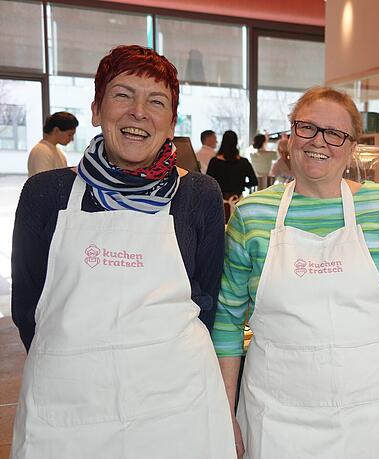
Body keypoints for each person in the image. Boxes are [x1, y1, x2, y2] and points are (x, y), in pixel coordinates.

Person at [10, 44, 236, 459]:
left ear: (171, 123)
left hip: (177, 405)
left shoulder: (198, 193)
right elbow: (28, 307)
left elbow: (207, 299)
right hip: (69, 408)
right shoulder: (46, 193)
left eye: (156, 102)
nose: (138, 112)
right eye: (122, 95)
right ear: (97, 110)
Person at [213, 86, 379, 459]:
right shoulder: (252, 215)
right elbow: (226, 323)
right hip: (279, 419)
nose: (318, 141)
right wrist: (224, 414)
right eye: (307, 127)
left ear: (352, 146)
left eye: (335, 133)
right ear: (291, 135)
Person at [206, 130, 258, 199]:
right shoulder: (244, 162)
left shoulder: (215, 162)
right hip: (238, 199)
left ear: (223, 142)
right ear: (236, 143)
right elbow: (254, 181)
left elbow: (208, 183)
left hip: (220, 199)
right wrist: (242, 184)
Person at [27, 111, 78, 176]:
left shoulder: (58, 151)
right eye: (70, 134)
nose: (72, 139)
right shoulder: (41, 151)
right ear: (56, 130)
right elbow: (44, 180)